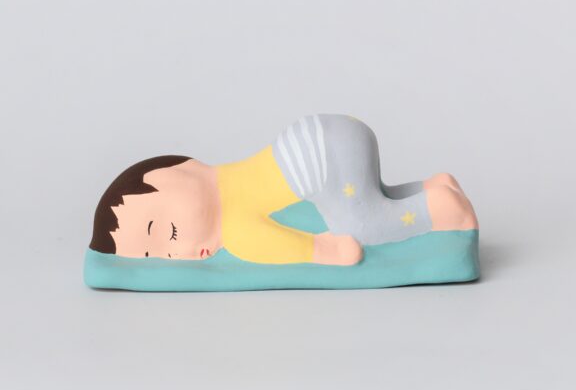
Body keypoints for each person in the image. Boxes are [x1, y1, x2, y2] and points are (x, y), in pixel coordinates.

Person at [89, 114, 478, 266]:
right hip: (325, 137)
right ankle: (433, 186)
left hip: (323, 158)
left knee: (362, 225)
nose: (174, 248)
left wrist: (328, 251)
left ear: (188, 170)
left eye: (163, 229)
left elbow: (279, 246)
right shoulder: (226, 179)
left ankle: (440, 208)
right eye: (158, 252)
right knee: (372, 196)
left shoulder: (234, 227)